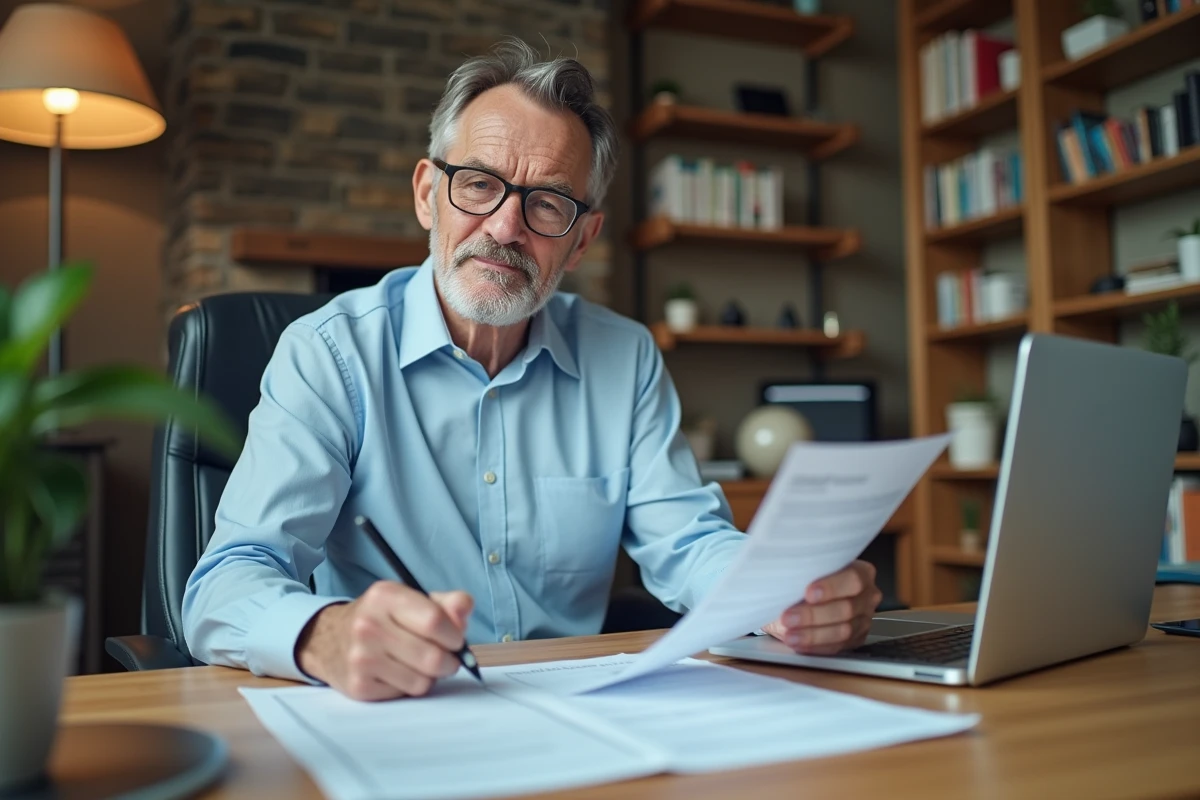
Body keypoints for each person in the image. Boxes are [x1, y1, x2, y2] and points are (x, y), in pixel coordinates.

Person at [182, 39, 881, 701]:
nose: (505, 226)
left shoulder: (626, 357)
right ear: (428, 193)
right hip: (400, 712)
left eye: (546, 202)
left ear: (581, 239)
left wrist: (783, 596)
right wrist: (322, 635)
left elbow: (689, 542)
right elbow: (225, 586)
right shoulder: (328, 354)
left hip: (578, 712)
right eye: (479, 184)